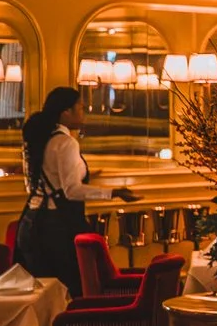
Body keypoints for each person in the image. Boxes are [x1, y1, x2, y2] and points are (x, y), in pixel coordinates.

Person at [14, 87, 133, 296]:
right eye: (79, 107)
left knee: (42, 293)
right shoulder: (66, 143)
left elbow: (33, 184)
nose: (83, 111)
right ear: (65, 112)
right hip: (55, 227)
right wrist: (114, 192)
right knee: (70, 288)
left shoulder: (38, 140)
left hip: (31, 223)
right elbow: (72, 191)